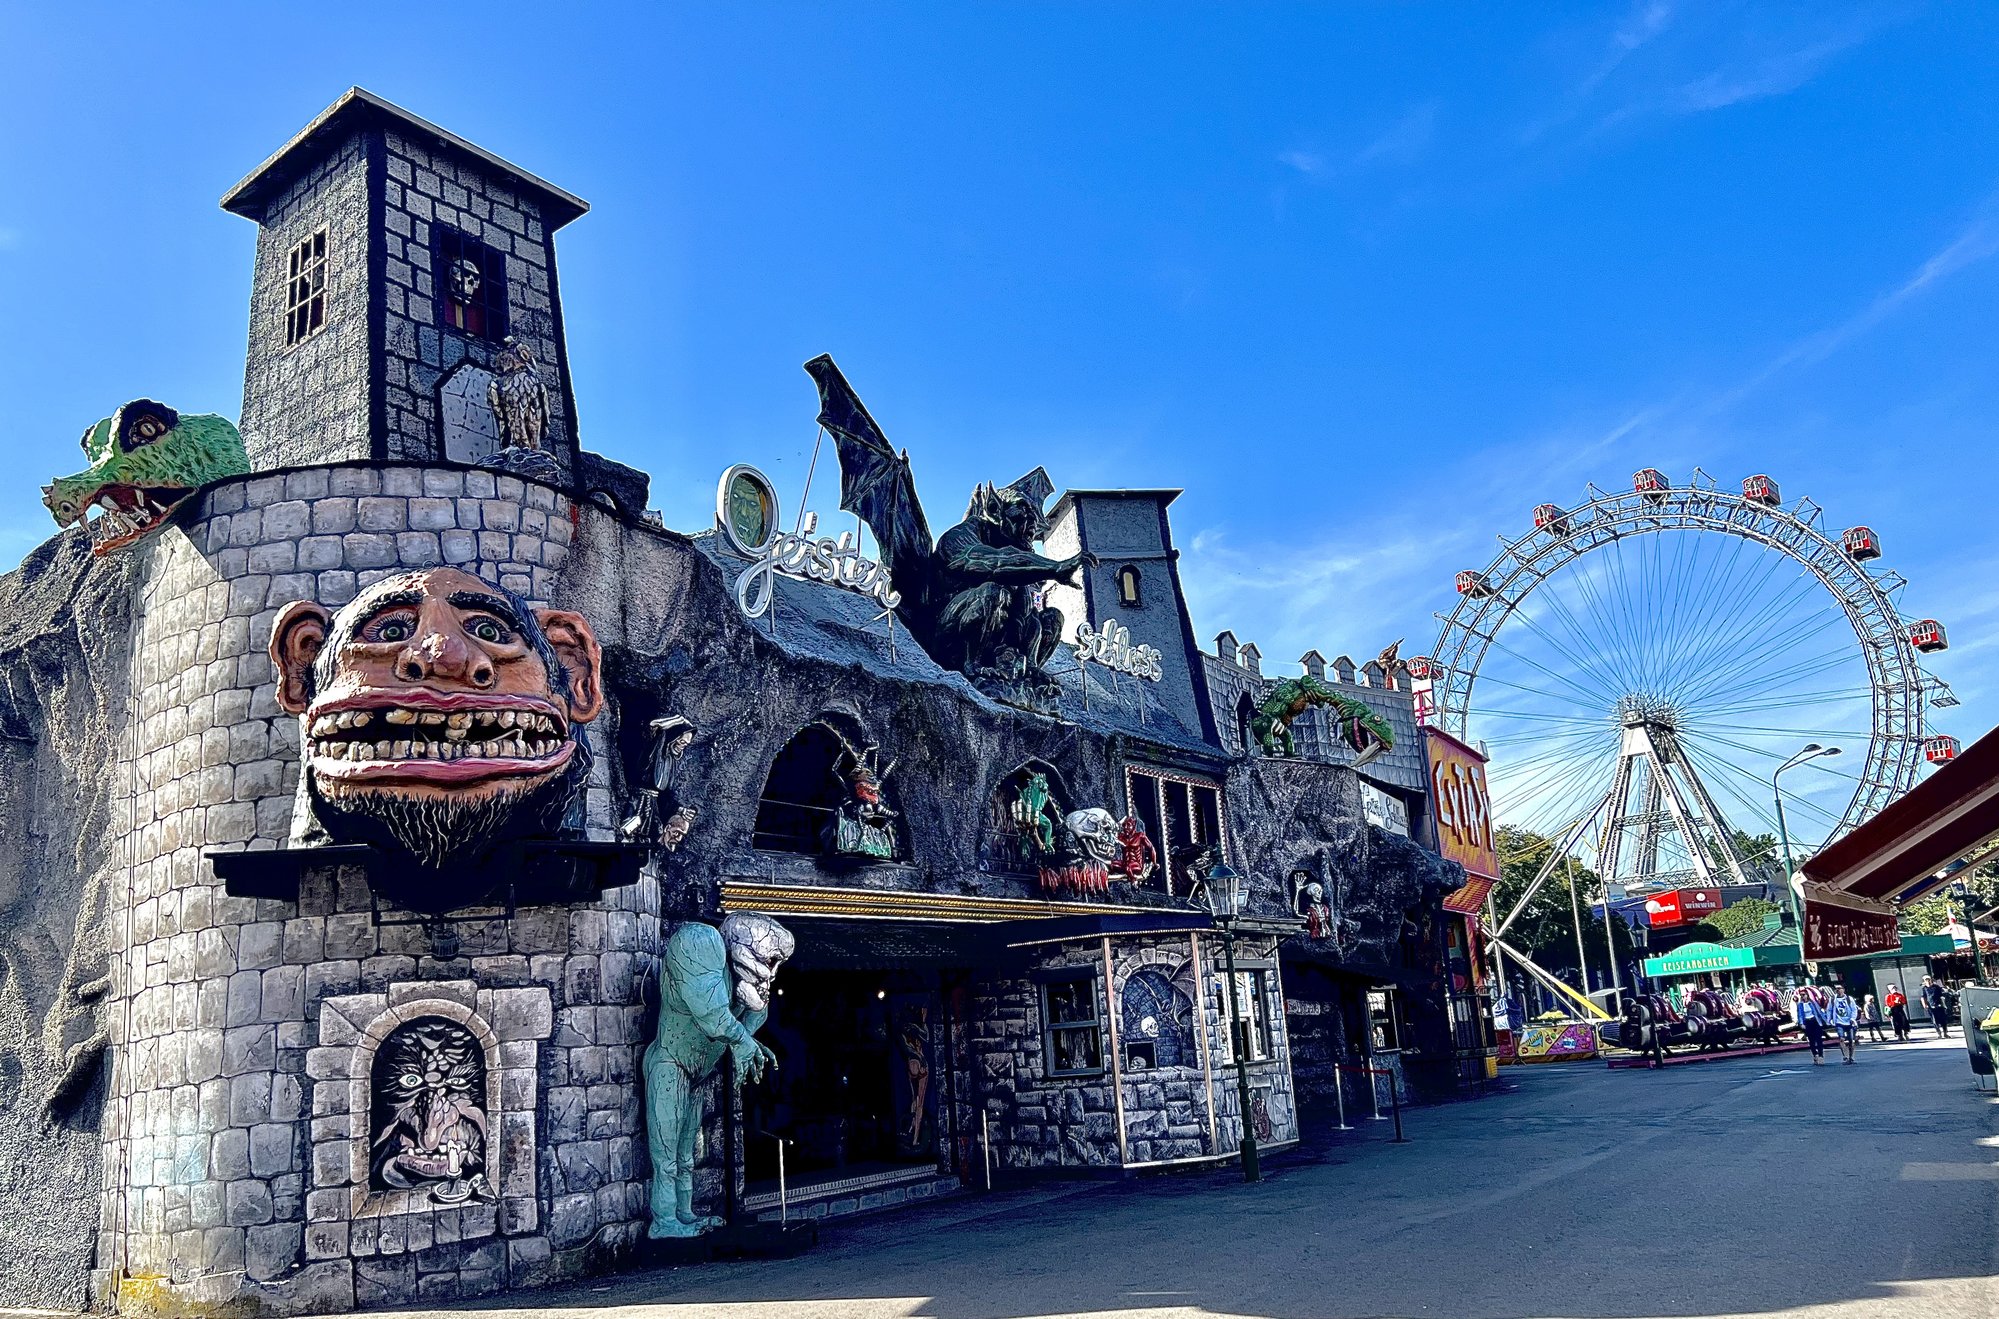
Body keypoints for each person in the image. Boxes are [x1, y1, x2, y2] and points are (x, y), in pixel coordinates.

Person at [1795, 983, 1831, 1065]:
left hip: (1815, 1021)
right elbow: (1800, 1015)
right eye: (1801, 995)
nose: (1803, 996)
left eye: (1804, 995)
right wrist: (1801, 1023)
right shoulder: (1800, 1005)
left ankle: (1821, 1056)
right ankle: (1815, 1055)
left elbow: (1819, 1012)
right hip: (1807, 1022)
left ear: (1807, 995)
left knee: (1819, 1039)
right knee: (1811, 1040)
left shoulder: (1813, 1002)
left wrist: (1826, 1020)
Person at [1829, 986, 1860, 1063]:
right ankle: (1845, 1057)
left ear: (1843, 989)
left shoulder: (1849, 999)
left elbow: (1854, 1009)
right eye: (1836, 989)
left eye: (1839, 988)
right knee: (1841, 1039)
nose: (1838, 990)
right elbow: (1829, 1009)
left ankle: (1851, 1057)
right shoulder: (1833, 999)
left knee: (1851, 1040)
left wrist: (1853, 1019)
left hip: (1849, 1022)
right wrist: (1830, 1019)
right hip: (1839, 1022)